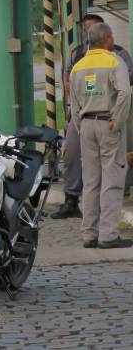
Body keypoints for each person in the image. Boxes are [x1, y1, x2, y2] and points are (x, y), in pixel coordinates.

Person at [54, 14, 133, 218]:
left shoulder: (119, 56)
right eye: (85, 29)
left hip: (111, 117)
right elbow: (69, 84)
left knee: (108, 172)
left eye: (91, 28)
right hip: (85, 117)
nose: (87, 33)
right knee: (72, 153)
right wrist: (75, 118)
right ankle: (72, 199)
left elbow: (126, 86)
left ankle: (99, 225)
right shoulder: (77, 55)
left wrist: (118, 119)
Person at [69, 22, 132, 249]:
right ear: (107, 39)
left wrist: (81, 125)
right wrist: (118, 120)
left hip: (86, 125)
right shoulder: (116, 62)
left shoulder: (78, 67)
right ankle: (108, 235)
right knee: (113, 179)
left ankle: (89, 234)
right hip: (109, 124)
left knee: (91, 180)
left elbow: (73, 103)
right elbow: (125, 93)